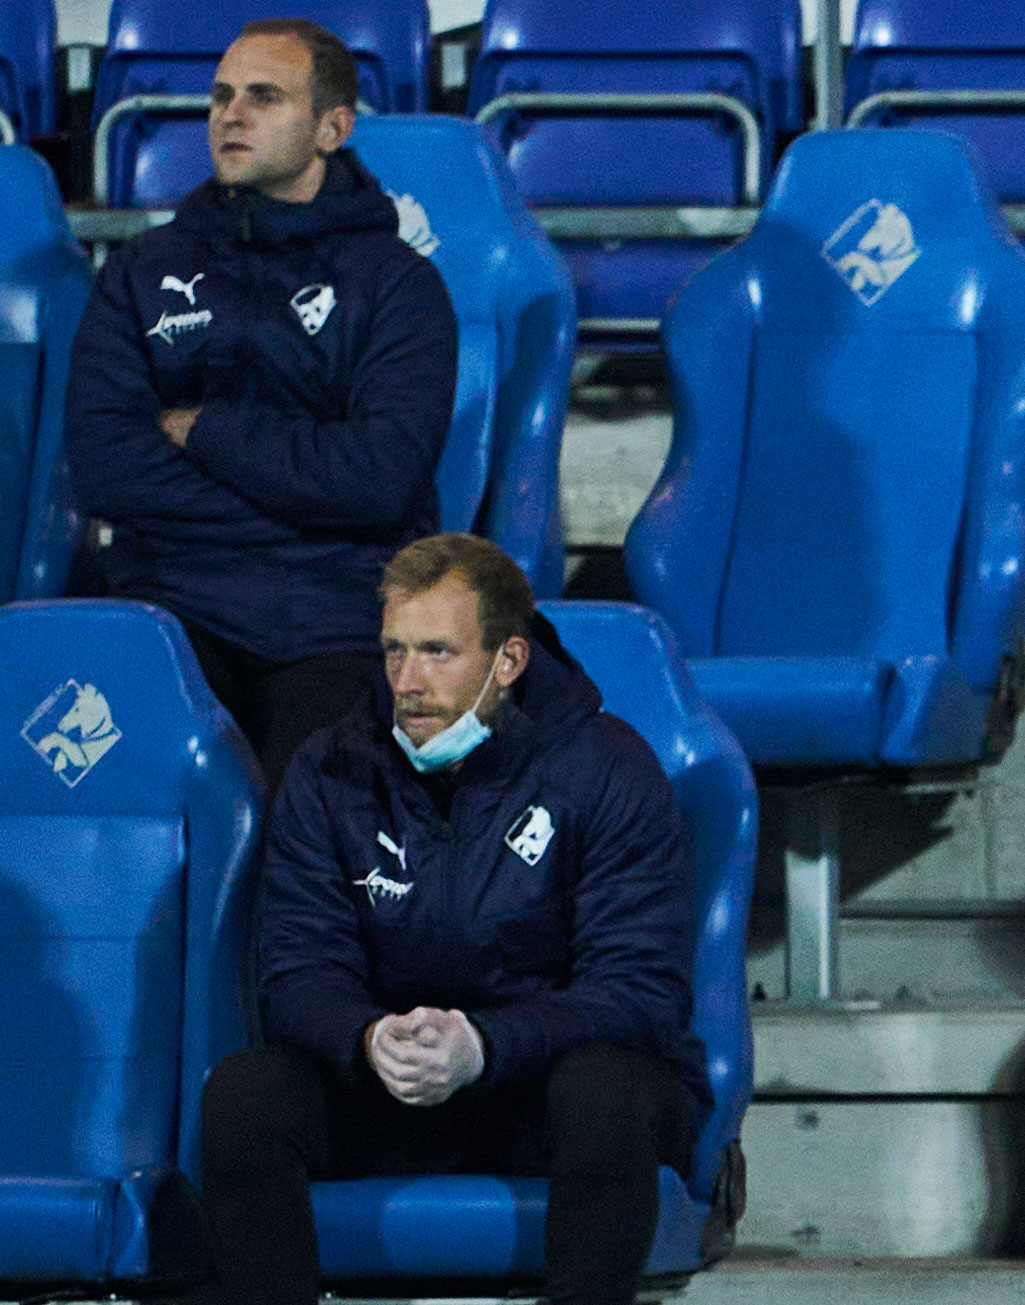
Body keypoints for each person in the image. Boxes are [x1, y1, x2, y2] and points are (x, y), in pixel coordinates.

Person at [197, 534, 706, 1305]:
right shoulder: (331, 769)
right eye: (394, 651)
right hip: (394, 1083)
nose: (408, 681)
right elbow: (297, 972)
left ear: (509, 661)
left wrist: (484, 1044)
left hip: (547, 1086)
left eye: (438, 651)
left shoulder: (609, 769)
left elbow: (640, 993)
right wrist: (368, 1040)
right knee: (247, 1094)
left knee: (608, 1093)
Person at [65, 18, 456, 784]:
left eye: (263, 97)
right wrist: (307, 505)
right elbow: (106, 468)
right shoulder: (141, 269)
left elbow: (380, 478)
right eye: (220, 96)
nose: (229, 115)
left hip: (336, 619)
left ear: (332, 128)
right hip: (170, 610)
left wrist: (204, 430)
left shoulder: (399, 285)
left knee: (312, 830)